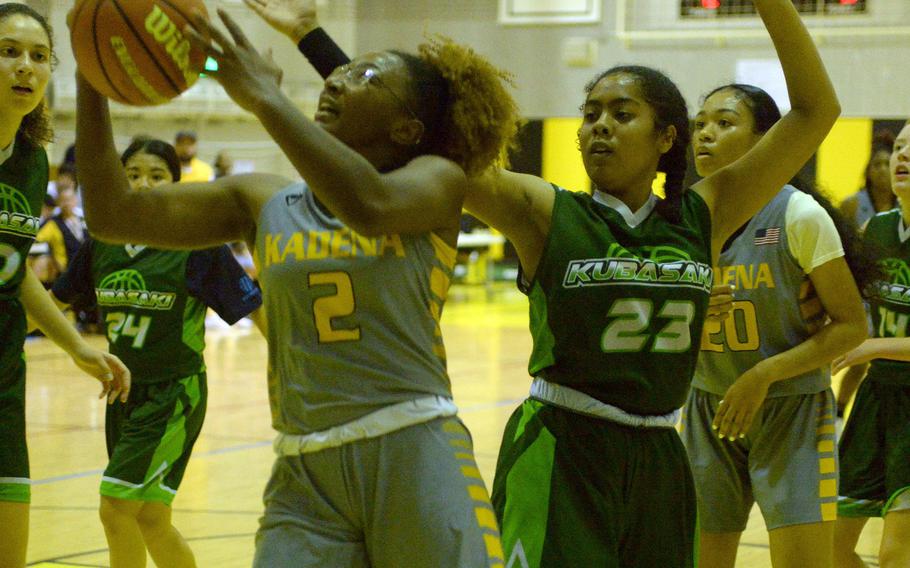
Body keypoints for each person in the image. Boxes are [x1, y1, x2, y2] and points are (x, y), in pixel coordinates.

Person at [272, 0, 839, 564]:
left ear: (667, 138)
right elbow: (416, 138)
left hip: (663, 455)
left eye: (622, 114)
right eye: (590, 114)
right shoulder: (545, 212)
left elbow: (816, 111)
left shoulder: (703, 215)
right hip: (564, 446)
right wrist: (317, 44)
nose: (600, 127)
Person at [71, 5, 522, 566]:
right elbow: (114, 216)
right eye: (345, 70)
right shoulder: (262, 199)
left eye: (365, 76)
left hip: (413, 444)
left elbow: (368, 204)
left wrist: (265, 97)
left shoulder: (435, 182)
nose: (337, 77)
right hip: (304, 468)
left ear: (406, 129)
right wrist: (90, 75)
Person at [49, 138, 262, 568]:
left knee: (114, 508)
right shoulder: (102, 241)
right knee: (150, 518)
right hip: (121, 395)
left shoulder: (197, 245)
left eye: (156, 176)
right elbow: (53, 305)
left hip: (173, 395)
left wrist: (297, 369)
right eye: (132, 176)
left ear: (176, 185)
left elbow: (257, 310)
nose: (143, 184)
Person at [683, 83, 869, 568]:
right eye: (700, 123)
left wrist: (763, 374)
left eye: (724, 123)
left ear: (767, 140)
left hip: (792, 412)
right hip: (709, 410)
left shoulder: (797, 216)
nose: (705, 134)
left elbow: (852, 328)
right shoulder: (682, 221)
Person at [0, 4, 130, 567]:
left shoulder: (31, 161)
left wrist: (78, 345)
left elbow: (11, 270)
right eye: (8, 51)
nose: (25, 67)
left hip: (4, 375)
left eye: (38, 56)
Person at [831, 120, 910, 568]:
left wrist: (870, 346)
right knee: (833, 550)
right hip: (877, 401)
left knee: (895, 551)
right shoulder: (876, 230)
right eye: (899, 147)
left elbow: (868, 340)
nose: (903, 156)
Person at [840, 130, 896, 229]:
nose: (882, 169)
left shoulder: (905, 204)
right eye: (877, 164)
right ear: (868, 172)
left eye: (887, 164)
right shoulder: (851, 205)